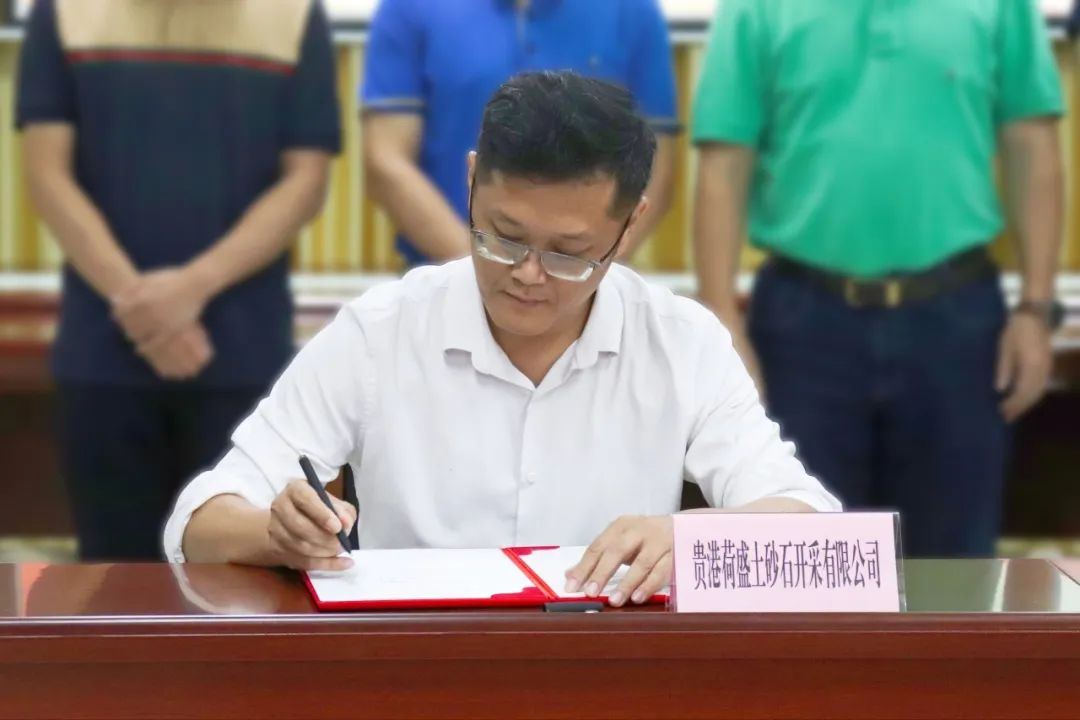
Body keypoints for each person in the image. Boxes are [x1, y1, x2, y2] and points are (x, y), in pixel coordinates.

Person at [165, 72, 839, 607]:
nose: (528, 275)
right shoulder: (380, 332)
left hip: (611, 680)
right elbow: (197, 524)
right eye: (503, 237)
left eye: (569, 252)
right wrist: (275, 534)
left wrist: (691, 539)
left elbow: (812, 524)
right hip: (415, 676)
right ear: (470, 181)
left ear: (629, 225)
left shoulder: (682, 343)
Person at [691, 0, 1065, 557]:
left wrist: (1035, 308)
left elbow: (1032, 144)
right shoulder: (755, 9)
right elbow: (724, 162)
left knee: (953, 563)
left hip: (956, 320)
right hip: (802, 325)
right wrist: (722, 316)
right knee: (802, 558)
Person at [16, 0, 341, 560]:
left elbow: (305, 183)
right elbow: (47, 173)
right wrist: (139, 305)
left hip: (245, 356)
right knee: (113, 574)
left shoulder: (292, 16)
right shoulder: (63, 13)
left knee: (245, 580)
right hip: (104, 352)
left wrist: (187, 290)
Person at [360, 0, 680, 268]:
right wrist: (481, 270)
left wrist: (582, 272)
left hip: (586, 284)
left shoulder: (632, 10)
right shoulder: (410, 7)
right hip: (442, 273)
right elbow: (386, 160)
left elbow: (657, 166)